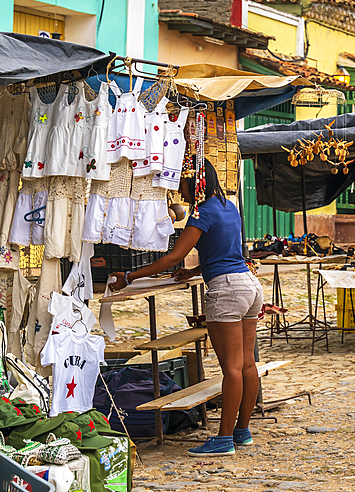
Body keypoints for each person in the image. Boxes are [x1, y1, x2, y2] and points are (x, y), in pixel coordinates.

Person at [109, 156, 263, 457]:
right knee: (246, 364)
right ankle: (241, 431)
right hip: (249, 285)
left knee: (230, 368)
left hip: (227, 291)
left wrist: (130, 276)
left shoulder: (200, 214)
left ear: (195, 184)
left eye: (182, 184)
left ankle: (223, 440)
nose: (180, 191)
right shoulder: (228, 206)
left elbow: (172, 257)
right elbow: (225, 251)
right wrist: (194, 272)